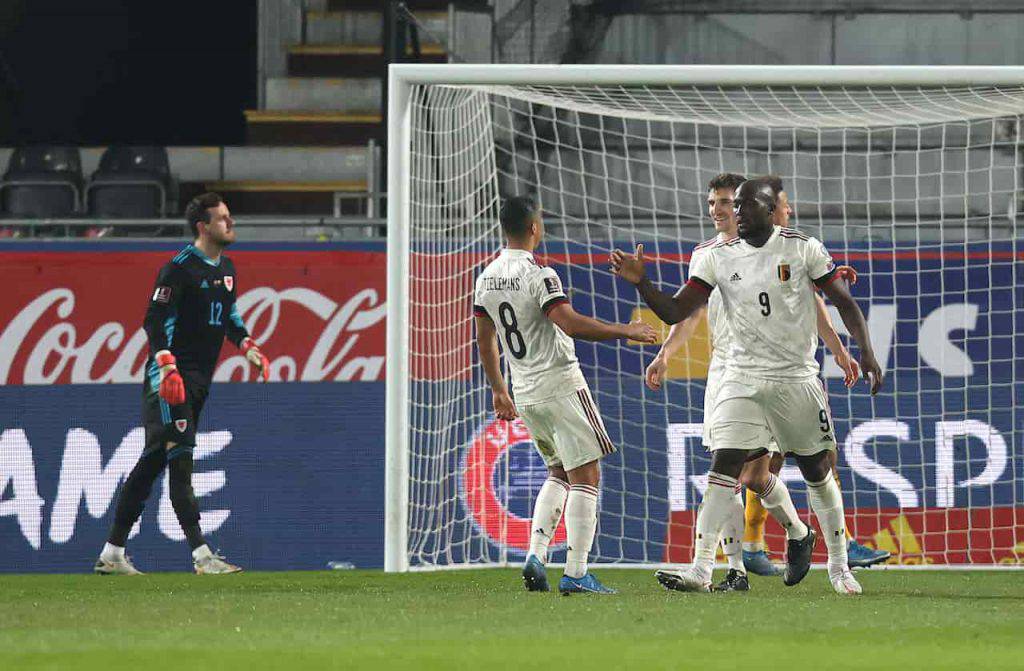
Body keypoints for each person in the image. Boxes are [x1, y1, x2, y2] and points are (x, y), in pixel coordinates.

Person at [612, 177, 883, 595]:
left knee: (816, 468)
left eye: (741, 204)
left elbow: (840, 303)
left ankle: (838, 566)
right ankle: (704, 569)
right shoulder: (714, 256)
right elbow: (677, 310)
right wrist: (641, 283)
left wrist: (862, 352)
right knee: (726, 466)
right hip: (738, 375)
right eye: (727, 204)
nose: (733, 211)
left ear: (769, 209)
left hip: (795, 376)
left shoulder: (802, 246)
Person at [473, 195, 657, 595]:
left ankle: (536, 556)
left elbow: (485, 342)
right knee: (587, 474)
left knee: (558, 471)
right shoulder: (542, 275)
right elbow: (569, 324)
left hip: (524, 391)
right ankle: (576, 572)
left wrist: (498, 390)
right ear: (535, 228)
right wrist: (627, 330)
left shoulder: (485, 278)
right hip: (559, 383)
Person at [94, 193, 269, 576]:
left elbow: (230, 314)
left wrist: (248, 347)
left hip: (199, 380)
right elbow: (154, 320)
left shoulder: (227, 268)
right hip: (170, 381)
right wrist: (167, 367)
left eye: (230, 215)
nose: (231, 222)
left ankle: (112, 553)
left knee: (154, 459)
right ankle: (202, 555)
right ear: (203, 227)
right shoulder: (178, 269)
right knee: (180, 460)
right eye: (223, 218)